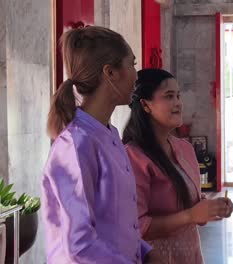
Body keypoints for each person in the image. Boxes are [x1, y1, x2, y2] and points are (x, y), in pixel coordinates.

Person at [41, 26, 156, 263]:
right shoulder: (75, 145)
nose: (136, 75)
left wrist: (145, 251)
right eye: (132, 65)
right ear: (110, 73)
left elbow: (113, 224)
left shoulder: (108, 134)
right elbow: (79, 245)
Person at [123, 68, 233, 263]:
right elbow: (137, 226)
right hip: (157, 257)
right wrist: (190, 215)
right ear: (145, 105)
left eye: (178, 95)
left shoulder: (184, 148)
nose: (178, 103)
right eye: (169, 96)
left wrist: (210, 208)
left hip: (190, 254)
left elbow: (190, 202)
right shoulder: (133, 156)